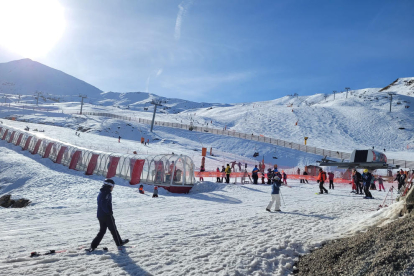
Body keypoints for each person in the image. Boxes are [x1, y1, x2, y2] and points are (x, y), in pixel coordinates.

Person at [88, 179, 128, 252]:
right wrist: (108, 212)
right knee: (113, 229)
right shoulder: (107, 192)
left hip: (100, 215)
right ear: (109, 185)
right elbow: (103, 203)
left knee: (102, 231)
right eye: (112, 186)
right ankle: (119, 243)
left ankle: (93, 245)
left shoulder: (102, 191)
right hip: (106, 215)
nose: (113, 188)